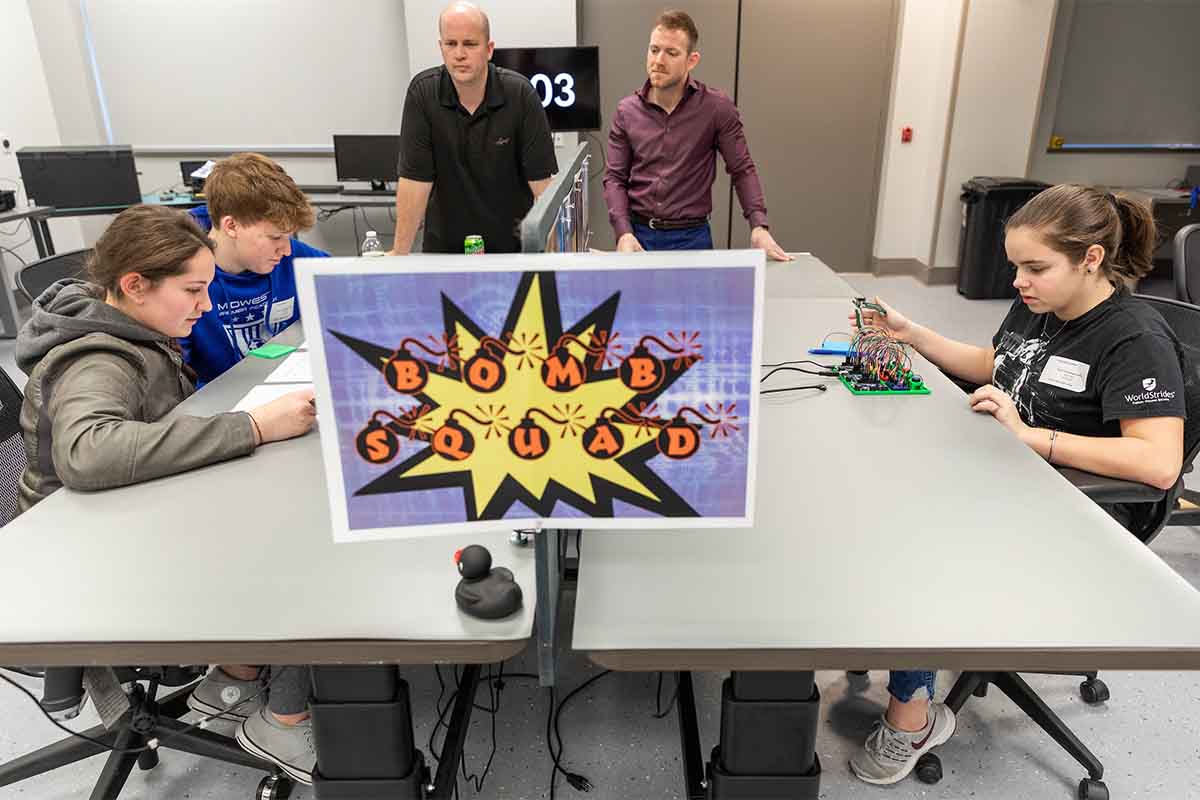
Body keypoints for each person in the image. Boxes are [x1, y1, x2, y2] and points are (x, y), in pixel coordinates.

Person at [847, 184, 1187, 786]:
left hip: (1085, 508)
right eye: (1016, 267)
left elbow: (1159, 464)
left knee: (917, 543)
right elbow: (997, 363)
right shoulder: (1042, 305)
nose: (1020, 282)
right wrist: (912, 332)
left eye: (1036, 267)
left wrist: (1030, 437)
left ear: (1091, 259)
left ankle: (912, 716)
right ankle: (892, 639)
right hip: (1011, 477)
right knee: (876, 488)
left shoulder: (1133, 337)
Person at [15, 205, 323, 784]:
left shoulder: (126, 327)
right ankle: (282, 718)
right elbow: (89, 452)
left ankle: (234, 673)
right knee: (304, 547)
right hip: (89, 564)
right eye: (193, 290)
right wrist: (253, 427)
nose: (205, 306)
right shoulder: (99, 358)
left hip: (118, 525)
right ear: (133, 285)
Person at [603, 9, 791, 261]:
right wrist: (623, 233)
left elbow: (742, 168)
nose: (658, 60)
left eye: (671, 53)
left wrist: (759, 226)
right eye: (654, 49)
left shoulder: (716, 108)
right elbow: (615, 178)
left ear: (692, 60)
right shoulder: (627, 111)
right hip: (638, 237)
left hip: (692, 239)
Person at [389, 1, 558, 254]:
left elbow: (544, 190)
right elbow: (415, 182)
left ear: (489, 49)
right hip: (444, 251)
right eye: (451, 44)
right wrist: (399, 255)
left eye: (469, 44)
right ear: (441, 47)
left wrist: (553, 260)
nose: (459, 54)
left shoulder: (520, 94)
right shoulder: (422, 93)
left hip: (511, 251)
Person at [180, 152, 329, 386]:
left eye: (289, 237)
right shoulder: (183, 279)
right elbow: (176, 378)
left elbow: (349, 284)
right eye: (275, 237)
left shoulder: (295, 257)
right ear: (231, 226)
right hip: (221, 409)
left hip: (290, 387)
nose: (286, 250)